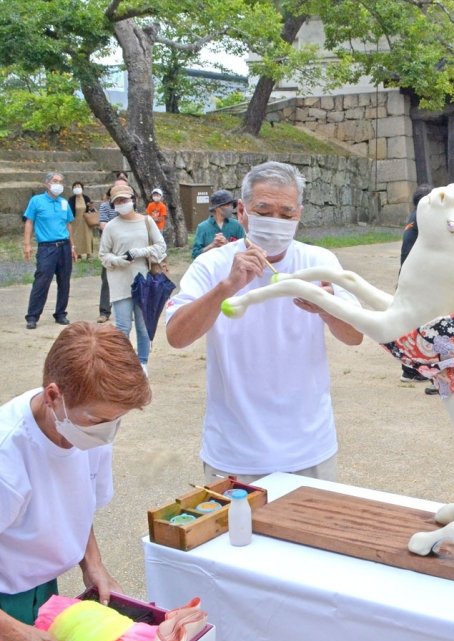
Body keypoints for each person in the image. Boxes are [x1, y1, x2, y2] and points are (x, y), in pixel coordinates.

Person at [165, 161, 363, 484]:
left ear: (299, 214)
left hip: (309, 450)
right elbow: (176, 335)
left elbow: (355, 336)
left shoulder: (320, 263)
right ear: (241, 211)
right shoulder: (211, 265)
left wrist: (327, 307)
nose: (276, 222)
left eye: (286, 214)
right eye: (264, 210)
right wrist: (227, 288)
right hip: (234, 455)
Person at [0, 322, 151, 641]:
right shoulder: (7, 458)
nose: (107, 434)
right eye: (98, 420)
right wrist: (14, 633)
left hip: (40, 583)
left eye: (117, 420)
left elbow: (77, 503)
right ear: (55, 396)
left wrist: (92, 563)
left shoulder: (88, 431)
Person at [99, 185, 167, 375]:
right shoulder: (111, 226)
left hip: (143, 280)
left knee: (143, 325)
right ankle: (123, 364)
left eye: (125, 199)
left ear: (133, 199)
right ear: (113, 204)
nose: (122, 203)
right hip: (120, 281)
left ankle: (142, 362)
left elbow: (161, 246)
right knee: (122, 326)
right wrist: (118, 260)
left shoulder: (146, 221)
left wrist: (141, 252)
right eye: (118, 201)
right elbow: (103, 255)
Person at [22, 172, 77, 330]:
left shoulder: (64, 203)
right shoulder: (36, 201)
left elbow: (68, 225)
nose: (58, 184)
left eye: (60, 181)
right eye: (55, 181)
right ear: (47, 183)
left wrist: (72, 246)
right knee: (42, 281)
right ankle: (32, 315)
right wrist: (27, 244)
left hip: (64, 246)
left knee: (64, 281)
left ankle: (60, 313)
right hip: (47, 247)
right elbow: (29, 222)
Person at [399, 184, 433, 383]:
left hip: (410, 278)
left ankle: (411, 368)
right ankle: (412, 369)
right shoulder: (422, 219)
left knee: (412, 325)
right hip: (417, 280)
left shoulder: (414, 217)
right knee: (419, 326)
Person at [191, 190, 246, 260]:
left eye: (232, 205)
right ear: (218, 208)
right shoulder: (202, 227)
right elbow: (195, 255)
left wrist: (227, 244)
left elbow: (244, 251)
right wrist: (212, 245)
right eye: (228, 205)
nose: (231, 208)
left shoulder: (237, 225)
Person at [97, 192, 119, 324]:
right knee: (107, 281)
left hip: (129, 251)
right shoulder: (105, 207)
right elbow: (103, 226)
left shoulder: (133, 208)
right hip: (110, 250)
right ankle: (104, 311)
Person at [68, 182, 94, 260]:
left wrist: (90, 209)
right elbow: (69, 210)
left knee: (87, 237)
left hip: (86, 221)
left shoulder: (86, 198)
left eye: (78, 186)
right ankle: (78, 254)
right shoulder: (71, 199)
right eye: (75, 187)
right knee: (76, 237)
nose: (77, 188)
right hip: (75, 221)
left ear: (82, 188)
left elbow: (90, 208)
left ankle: (89, 254)